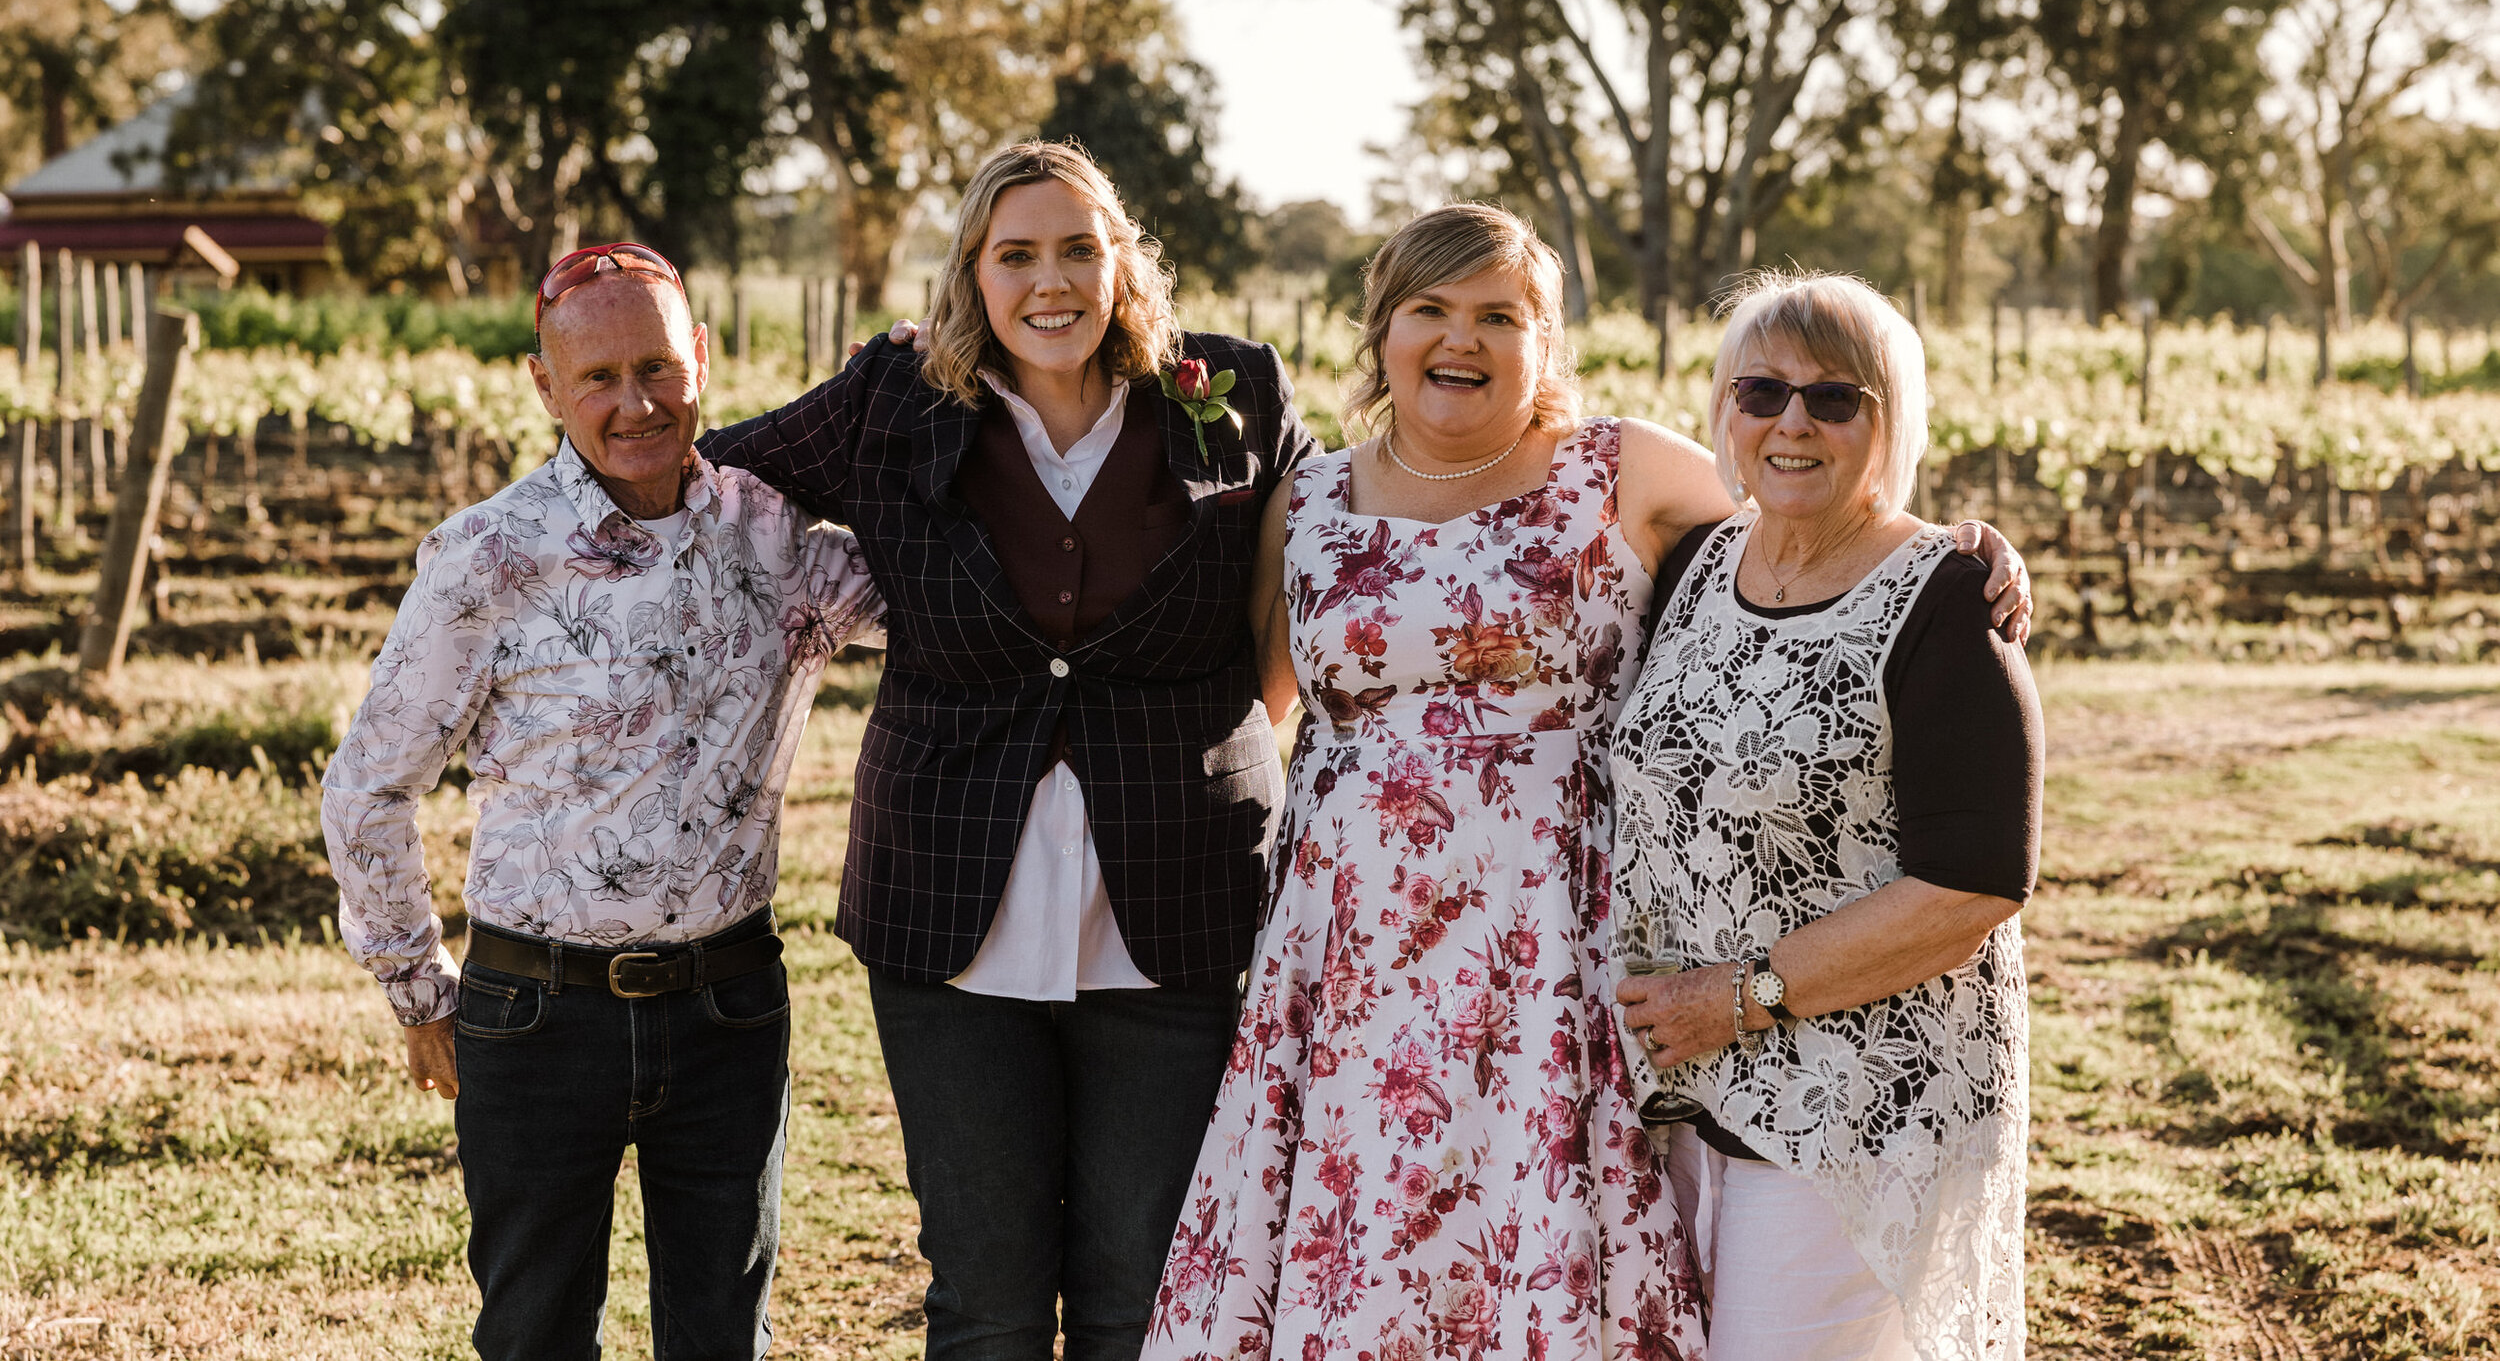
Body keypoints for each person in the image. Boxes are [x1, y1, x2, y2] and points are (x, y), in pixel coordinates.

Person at [1142, 209, 2030, 1361]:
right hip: (1353, 957)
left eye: (1498, 315)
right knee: (1369, 1242)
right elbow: (1260, 717)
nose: (1462, 338)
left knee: (1538, 1236)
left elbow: (1808, 526)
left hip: (1552, 944)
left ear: (1544, 341)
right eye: (1431, 310)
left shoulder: (1621, 469)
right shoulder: (1307, 502)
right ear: (1383, 327)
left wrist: (1959, 548)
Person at [694, 141, 1320, 1361]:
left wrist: (1256, 728)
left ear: (1123, 261)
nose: (1053, 280)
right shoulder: (895, 400)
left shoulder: (1233, 389)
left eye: (1080, 248)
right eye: (1016, 253)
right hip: (946, 902)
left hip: (1178, 898)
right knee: (981, 1290)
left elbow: (1303, 584)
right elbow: (713, 474)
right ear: (973, 274)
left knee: (1143, 1285)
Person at [320, 243, 885, 1360]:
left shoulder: (778, 537)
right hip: (534, 1014)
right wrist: (414, 984)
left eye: (659, 368)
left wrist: (927, 395)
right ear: (545, 385)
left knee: (724, 1334)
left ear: (704, 361)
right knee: (533, 1334)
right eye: (598, 378)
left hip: (730, 1008)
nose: (635, 404)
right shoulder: (488, 554)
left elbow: (953, 618)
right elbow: (369, 786)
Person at [1608, 269, 2042, 1361]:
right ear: (1724, 412)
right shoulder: (1694, 564)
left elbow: (1972, 884)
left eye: (1834, 398)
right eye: (1760, 391)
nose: (1791, 420)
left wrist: (1739, 998)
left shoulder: (1945, 597)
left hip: (1861, 1105)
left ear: (1889, 420)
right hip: (1687, 1085)